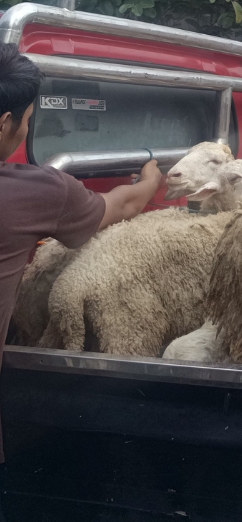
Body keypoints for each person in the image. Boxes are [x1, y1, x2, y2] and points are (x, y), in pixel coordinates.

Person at [0, 44, 162, 494]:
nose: (26, 130)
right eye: (29, 122)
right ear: (4, 123)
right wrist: (151, 176)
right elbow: (124, 203)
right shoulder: (35, 193)